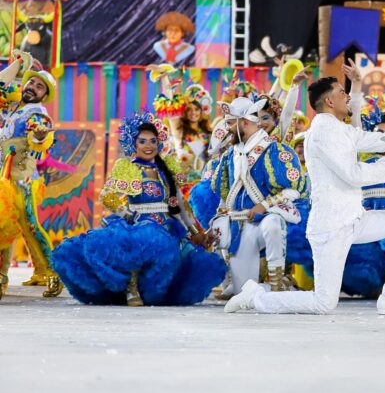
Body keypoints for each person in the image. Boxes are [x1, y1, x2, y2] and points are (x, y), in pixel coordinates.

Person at [224, 76, 385, 315]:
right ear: (329, 100)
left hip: (354, 219)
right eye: (342, 92)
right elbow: (353, 175)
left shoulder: (342, 130)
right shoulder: (323, 132)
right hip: (331, 226)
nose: (347, 96)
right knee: (324, 303)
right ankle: (255, 298)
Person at [52, 113, 224, 306]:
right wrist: (127, 215)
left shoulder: (166, 167)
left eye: (152, 140)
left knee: (181, 258)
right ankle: (131, 288)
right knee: (140, 241)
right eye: (142, 141)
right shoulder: (127, 167)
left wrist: (196, 232)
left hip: (167, 224)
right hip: (139, 221)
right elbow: (107, 196)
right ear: (133, 144)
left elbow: (180, 205)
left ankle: (155, 290)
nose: (148, 145)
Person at [203, 96, 305, 294]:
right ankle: (281, 288)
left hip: (265, 220)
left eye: (231, 123)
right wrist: (216, 225)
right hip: (240, 226)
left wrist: (264, 206)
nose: (227, 129)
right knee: (243, 292)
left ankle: (276, 284)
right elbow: (226, 196)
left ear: (246, 122)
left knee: (273, 223)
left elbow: (292, 190)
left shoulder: (274, 150)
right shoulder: (230, 155)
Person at [0, 56, 63, 298]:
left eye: (39, 87)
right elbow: (1, 85)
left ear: (43, 95)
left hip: (21, 178)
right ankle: (25, 273)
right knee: (6, 224)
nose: (32, 88)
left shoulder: (36, 112)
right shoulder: (15, 106)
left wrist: (38, 136)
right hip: (4, 175)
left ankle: (53, 274)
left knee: (29, 224)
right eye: (31, 83)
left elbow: (41, 139)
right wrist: (17, 65)